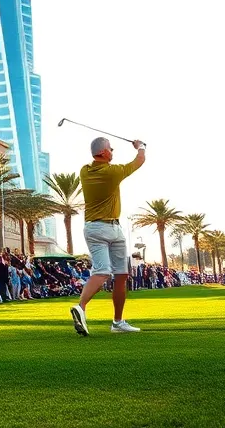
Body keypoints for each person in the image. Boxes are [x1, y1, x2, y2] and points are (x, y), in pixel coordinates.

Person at [70, 136, 146, 337]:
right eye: (110, 149)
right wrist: (141, 146)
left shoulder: (85, 171)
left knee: (121, 274)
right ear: (103, 153)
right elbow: (139, 161)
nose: (112, 151)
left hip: (101, 228)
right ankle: (81, 307)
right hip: (105, 228)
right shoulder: (112, 172)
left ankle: (118, 322)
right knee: (103, 272)